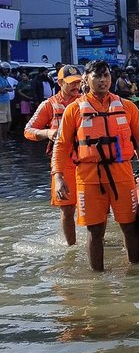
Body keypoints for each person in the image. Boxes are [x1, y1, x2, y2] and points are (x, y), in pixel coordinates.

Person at [51, 60, 139, 271]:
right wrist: (58, 176)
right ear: (86, 79)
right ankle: (98, 280)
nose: (103, 81)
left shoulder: (127, 107)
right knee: (95, 230)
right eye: (97, 76)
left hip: (121, 173)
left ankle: (134, 272)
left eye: (106, 76)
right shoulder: (73, 110)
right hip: (88, 177)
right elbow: (62, 145)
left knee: (129, 225)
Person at [24, 65, 83, 247]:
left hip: (86, 160)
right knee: (67, 209)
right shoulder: (48, 105)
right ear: (60, 83)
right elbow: (28, 130)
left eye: (78, 83)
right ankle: (71, 247)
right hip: (63, 163)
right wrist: (47, 133)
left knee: (96, 206)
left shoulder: (84, 102)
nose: (76, 87)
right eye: (71, 83)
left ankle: (98, 239)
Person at [0, 62, 14, 141]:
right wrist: (6, 89)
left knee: (8, 120)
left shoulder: (5, 78)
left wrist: (6, 89)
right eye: (5, 69)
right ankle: (2, 138)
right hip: (1, 102)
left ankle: (5, 137)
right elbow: (1, 90)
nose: (6, 71)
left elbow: (10, 88)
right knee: (2, 121)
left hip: (6, 101)